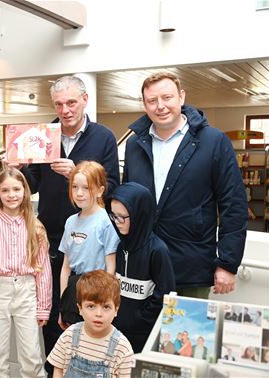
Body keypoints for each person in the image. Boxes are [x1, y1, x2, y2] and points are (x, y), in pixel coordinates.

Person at [19, 75, 120, 374]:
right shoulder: (44, 135)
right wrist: (17, 169)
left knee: (89, 313)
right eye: (59, 104)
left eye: (72, 102)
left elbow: (113, 184)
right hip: (50, 239)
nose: (65, 110)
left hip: (88, 244)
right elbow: (32, 185)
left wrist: (76, 175)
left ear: (85, 100)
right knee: (52, 314)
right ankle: (56, 370)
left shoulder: (103, 137)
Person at [122, 71, 248, 299]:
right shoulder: (134, 146)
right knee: (143, 334)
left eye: (167, 97)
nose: (160, 106)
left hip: (191, 267)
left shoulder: (213, 142)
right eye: (152, 100)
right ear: (144, 104)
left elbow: (234, 204)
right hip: (143, 267)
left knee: (187, 334)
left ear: (181, 97)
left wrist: (228, 263)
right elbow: (126, 205)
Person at [0, 168, 51, 377]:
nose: (11, 195)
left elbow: (43, 270)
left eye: (16, 189)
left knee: (32, 356)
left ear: (25, 191)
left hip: (27, 291)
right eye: (5, 190)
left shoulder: (35, 226)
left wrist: (44, 306)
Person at [110, 182, 176, 353]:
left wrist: (138, 320)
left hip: (144, 336)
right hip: (117, 332)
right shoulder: (119, 246)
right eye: (113, 216)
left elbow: (166, 295)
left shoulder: (157, 251)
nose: (116, 222)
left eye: (122, 217)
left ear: (139, 215)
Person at [58, 161, 119, 329]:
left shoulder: (106, 222)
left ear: (100, 190)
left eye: (86, 188)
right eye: (75, 187)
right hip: (73, 292)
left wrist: (106, 303)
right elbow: (65, 268)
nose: (79, 193)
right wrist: (63, 304)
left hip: (97, 291)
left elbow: (110, 267)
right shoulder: (71, 221)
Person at [47, 270, 134, 378]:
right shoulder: (68, 336)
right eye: (91, 306)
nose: (98, 314)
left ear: (116, 309)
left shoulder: (122, 348)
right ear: (80, 308)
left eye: (106, 307)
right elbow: (58, 371)